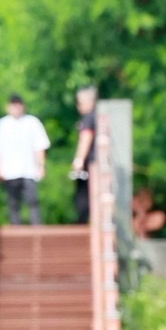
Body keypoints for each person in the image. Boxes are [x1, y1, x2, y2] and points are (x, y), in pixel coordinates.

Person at [0, 94, 50, 227]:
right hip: (9, 171)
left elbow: (39, 147)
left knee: (32, 201)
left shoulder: (32, 122)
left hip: (29, 170)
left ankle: (36, 230)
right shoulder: (2, 124)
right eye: (13, 105)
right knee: (12, 203)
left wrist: (41, 166)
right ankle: (16, 230)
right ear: (8, 107)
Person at [69, 84, 98, 225]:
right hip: (97, 164)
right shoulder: (99, 116)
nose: (77, 106)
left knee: (83, 198)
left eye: (79, 102)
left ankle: (82, 225)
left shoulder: (87, 118)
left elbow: (86, 138)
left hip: (89, 165)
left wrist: (79, 160)